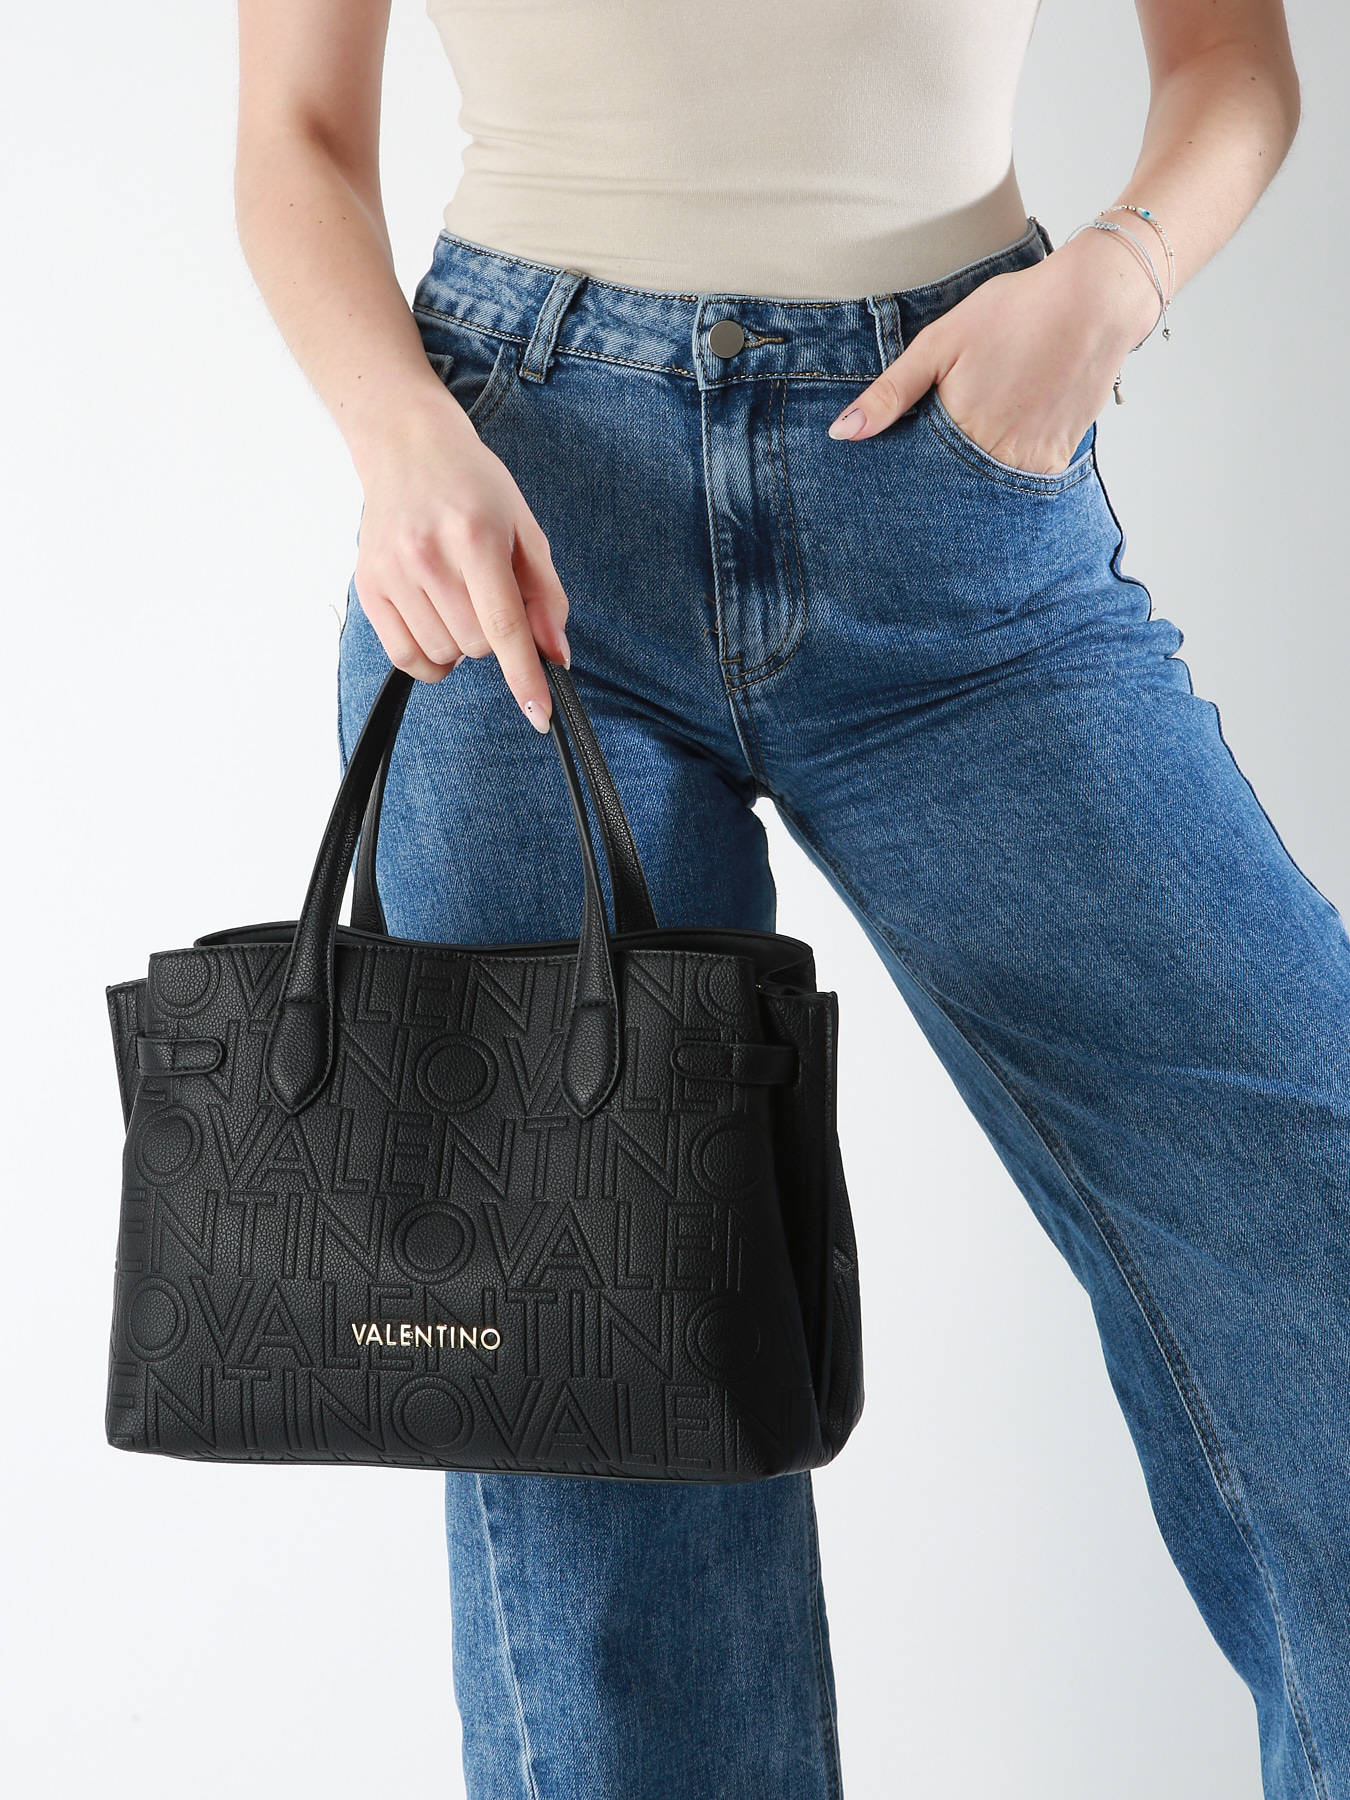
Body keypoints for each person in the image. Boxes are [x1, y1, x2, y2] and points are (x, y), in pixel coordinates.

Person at [233, 3, 1342, 1796]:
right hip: (516, 520)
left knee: (1307, 1205)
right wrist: (400, 440)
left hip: (951, 499)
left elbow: (1231, 61)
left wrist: (1111, 284)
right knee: (598, 1389)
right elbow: (294, 128)